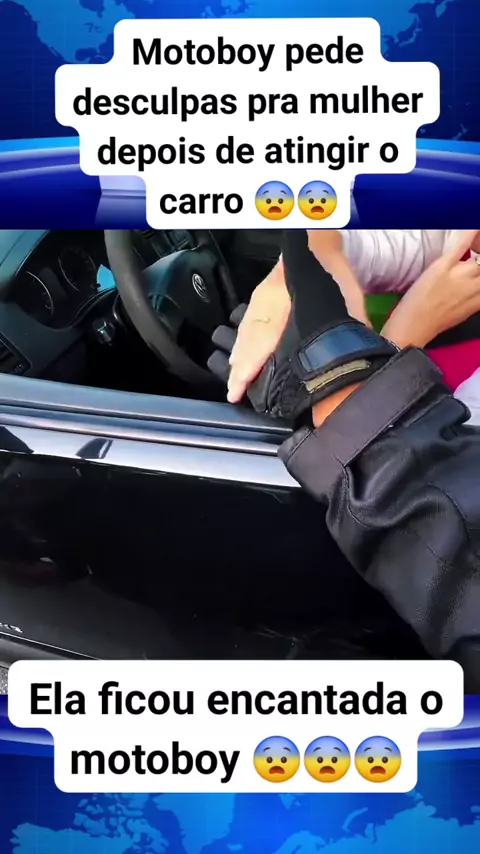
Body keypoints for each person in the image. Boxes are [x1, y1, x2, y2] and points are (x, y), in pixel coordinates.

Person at [208, 229, 480, 692]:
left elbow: (450, 519)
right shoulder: (459, 243)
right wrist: (293, 272)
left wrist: (397, 336)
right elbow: (342, 245)